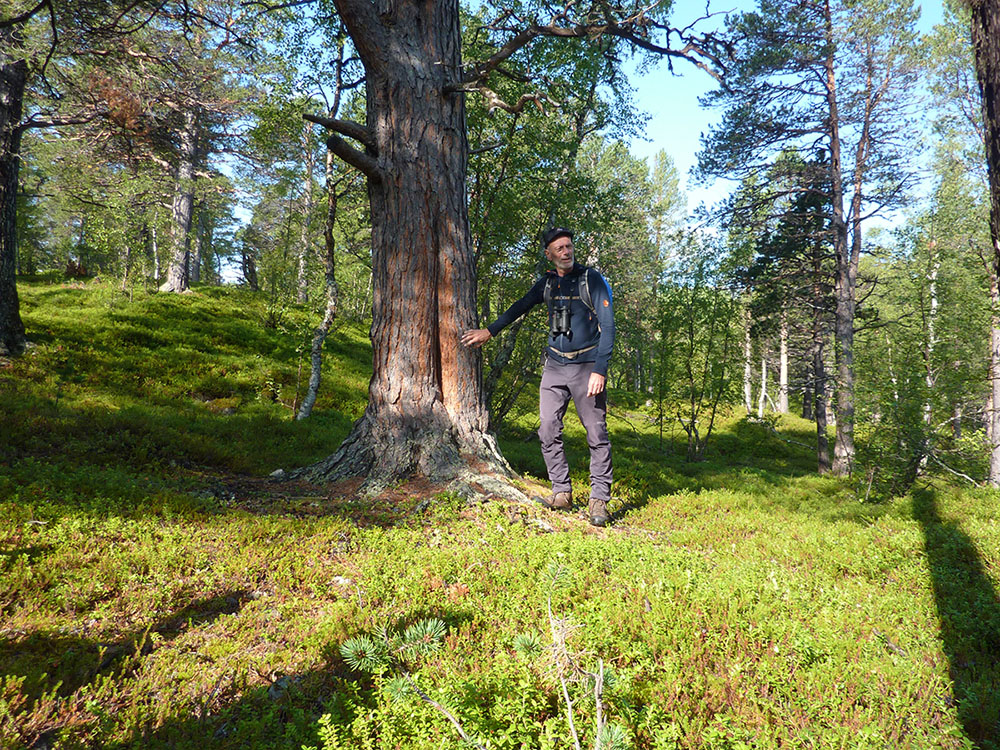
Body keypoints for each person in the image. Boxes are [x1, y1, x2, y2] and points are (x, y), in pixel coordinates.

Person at [461, 227, 615, 526]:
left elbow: (608, 326)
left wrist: (600, 369)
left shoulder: (590, 279)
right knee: (547, 429)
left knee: (596, 433)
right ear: (549, 253)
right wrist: (489, 331)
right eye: (559, 248)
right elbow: (519, 306)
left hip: (587, 365)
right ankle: (561, 493)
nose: (566, 252)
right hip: (554, 366)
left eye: (569, 246)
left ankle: (599, 501)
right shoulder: (546, 283)